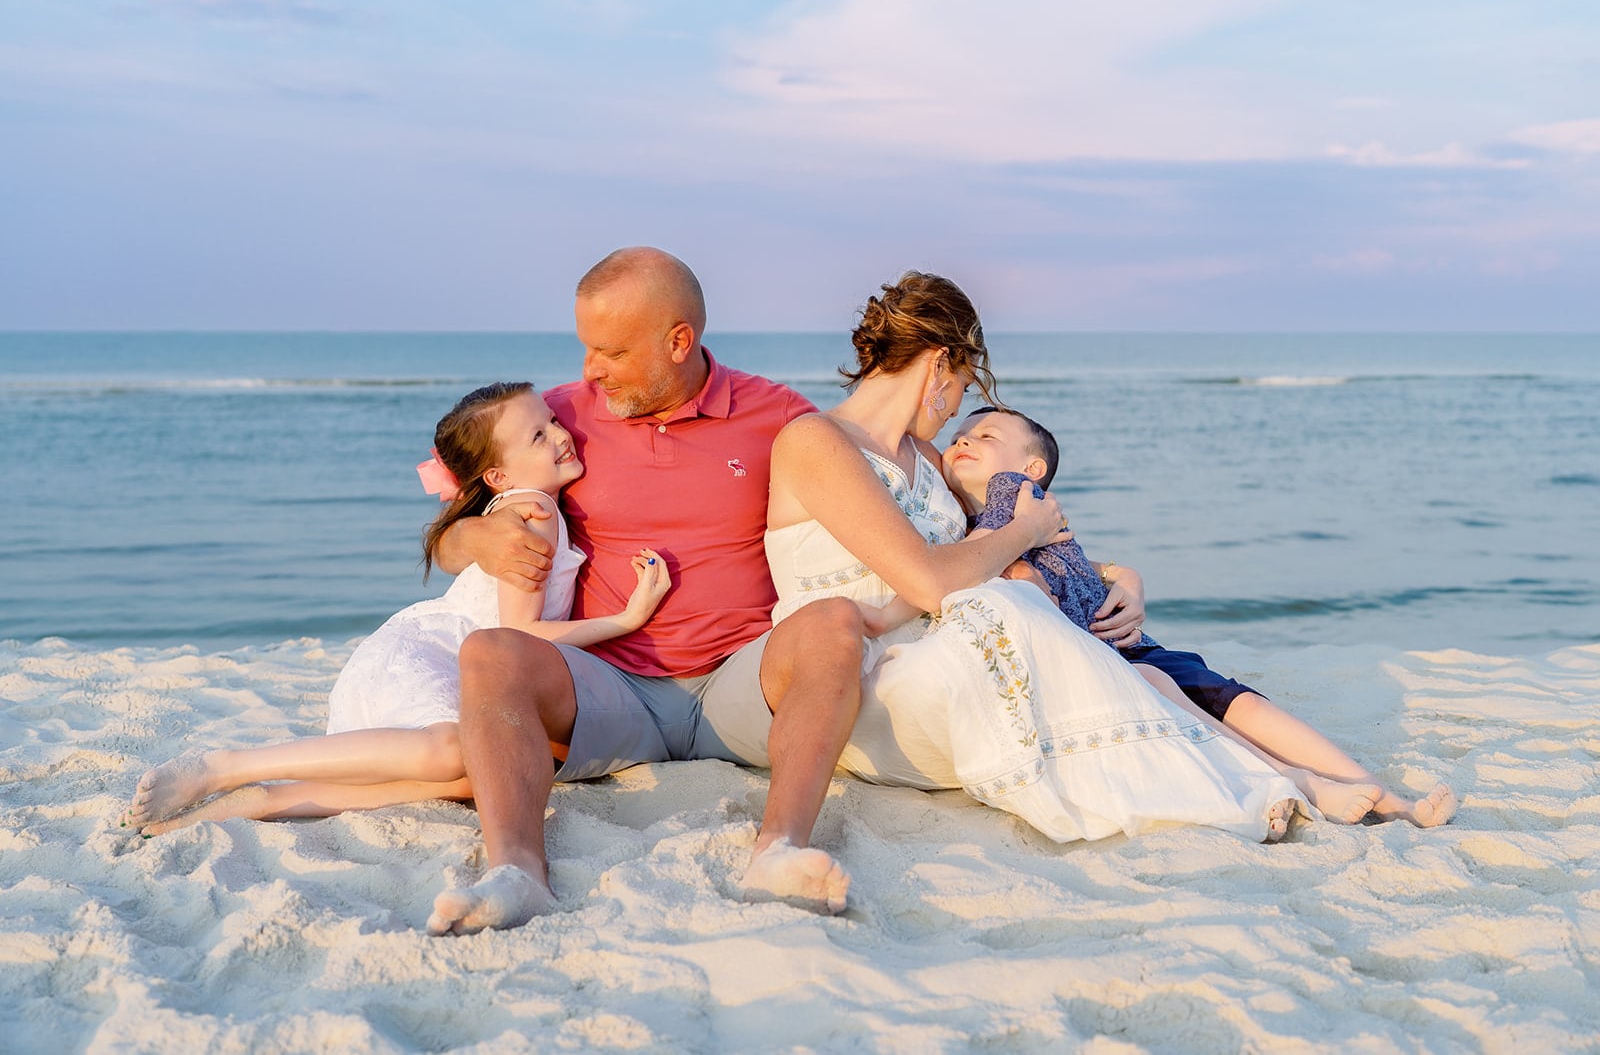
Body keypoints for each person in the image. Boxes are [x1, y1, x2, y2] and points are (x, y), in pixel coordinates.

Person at [765, 270, 1316, 844]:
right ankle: (1253, 783)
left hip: (956, 644)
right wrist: (1027, 530)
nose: (957, 411)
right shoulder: (816, 441)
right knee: (1043, 624)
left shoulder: (925, 456)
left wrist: (1113, 573)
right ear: (939, 366)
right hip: (861, 679)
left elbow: (985, 543)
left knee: (1122, 660)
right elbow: (934, 578)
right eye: (962, 386)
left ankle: (1272, 775)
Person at [423, 247, 866, 933]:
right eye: (586, 347)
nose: (588, 369)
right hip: (612, 688)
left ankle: (778, 848)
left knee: (835, 623)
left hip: (740, 684)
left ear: (678, 341)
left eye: (610, 351)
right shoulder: (559, 420)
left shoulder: (777, 413)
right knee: (490, 651)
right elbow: (447, 525)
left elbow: (884, 492)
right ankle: (517, 871)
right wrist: (475, 539)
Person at [123, 382, 671, 835]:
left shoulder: (528, 503)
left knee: (478, 779)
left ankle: (266, 801)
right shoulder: (533, 513)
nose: (560, 435)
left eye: (552, 420)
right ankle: (227, 768)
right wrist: (625, 621)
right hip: (436, 654)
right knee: (457, 755)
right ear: (498, 478)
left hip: (457, 657)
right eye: (537, 434)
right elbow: (521, 632)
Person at [938, 405, 1456, 827]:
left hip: (1118, 642)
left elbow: (1055, 561)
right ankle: (1328, 786)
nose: (962, 441)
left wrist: (1123, 574)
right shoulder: (985, 518)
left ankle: (1377, 795)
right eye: (957, 436)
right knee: (1193, 694)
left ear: (1031, 470)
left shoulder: (1020, 500)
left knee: (1233, 700)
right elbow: (1004, 561)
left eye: (984, 435)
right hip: (1105, 657)